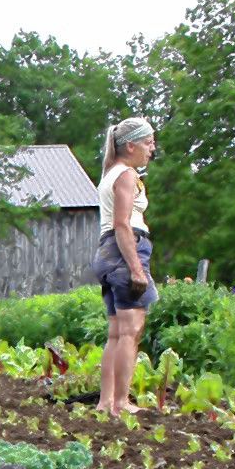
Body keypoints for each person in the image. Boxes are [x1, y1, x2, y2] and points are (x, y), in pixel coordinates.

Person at [92, 117, 158, 414]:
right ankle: (120, 403)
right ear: (130, 145)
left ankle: (106, 402)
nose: (152, 148)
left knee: (117, 332)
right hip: (123, 250)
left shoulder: (109, 174)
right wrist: (136, 268)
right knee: (131, 330)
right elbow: (122, 224)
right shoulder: (127, 174)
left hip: (106, 252)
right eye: (148, 142)